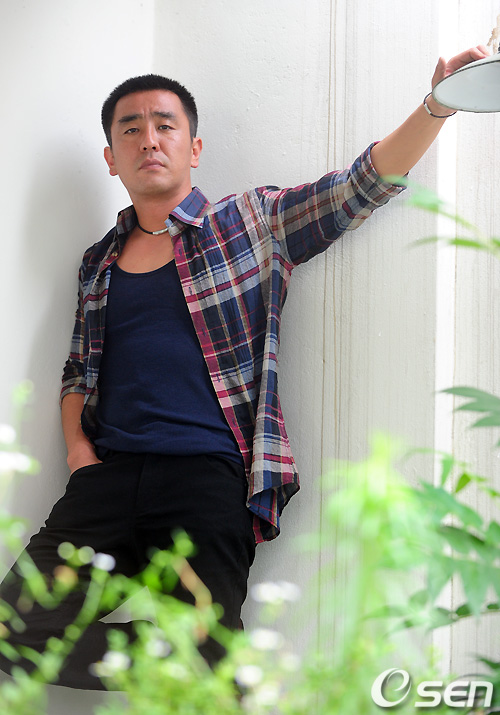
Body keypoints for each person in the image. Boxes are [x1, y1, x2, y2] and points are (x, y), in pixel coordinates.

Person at [0, 45, 490, 691]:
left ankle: (202, 653)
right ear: (111, 157)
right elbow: (77, 370)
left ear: (194, 148)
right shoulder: (99, 261)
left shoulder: (249, 222)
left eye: (165, 125)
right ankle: (196, 653)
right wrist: (77, 451)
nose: (149, 140)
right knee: (11, 632)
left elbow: (359, 186)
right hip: (107, 480)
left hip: (207, 476)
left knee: (205, 662)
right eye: (131, 129)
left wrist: (436, 105)